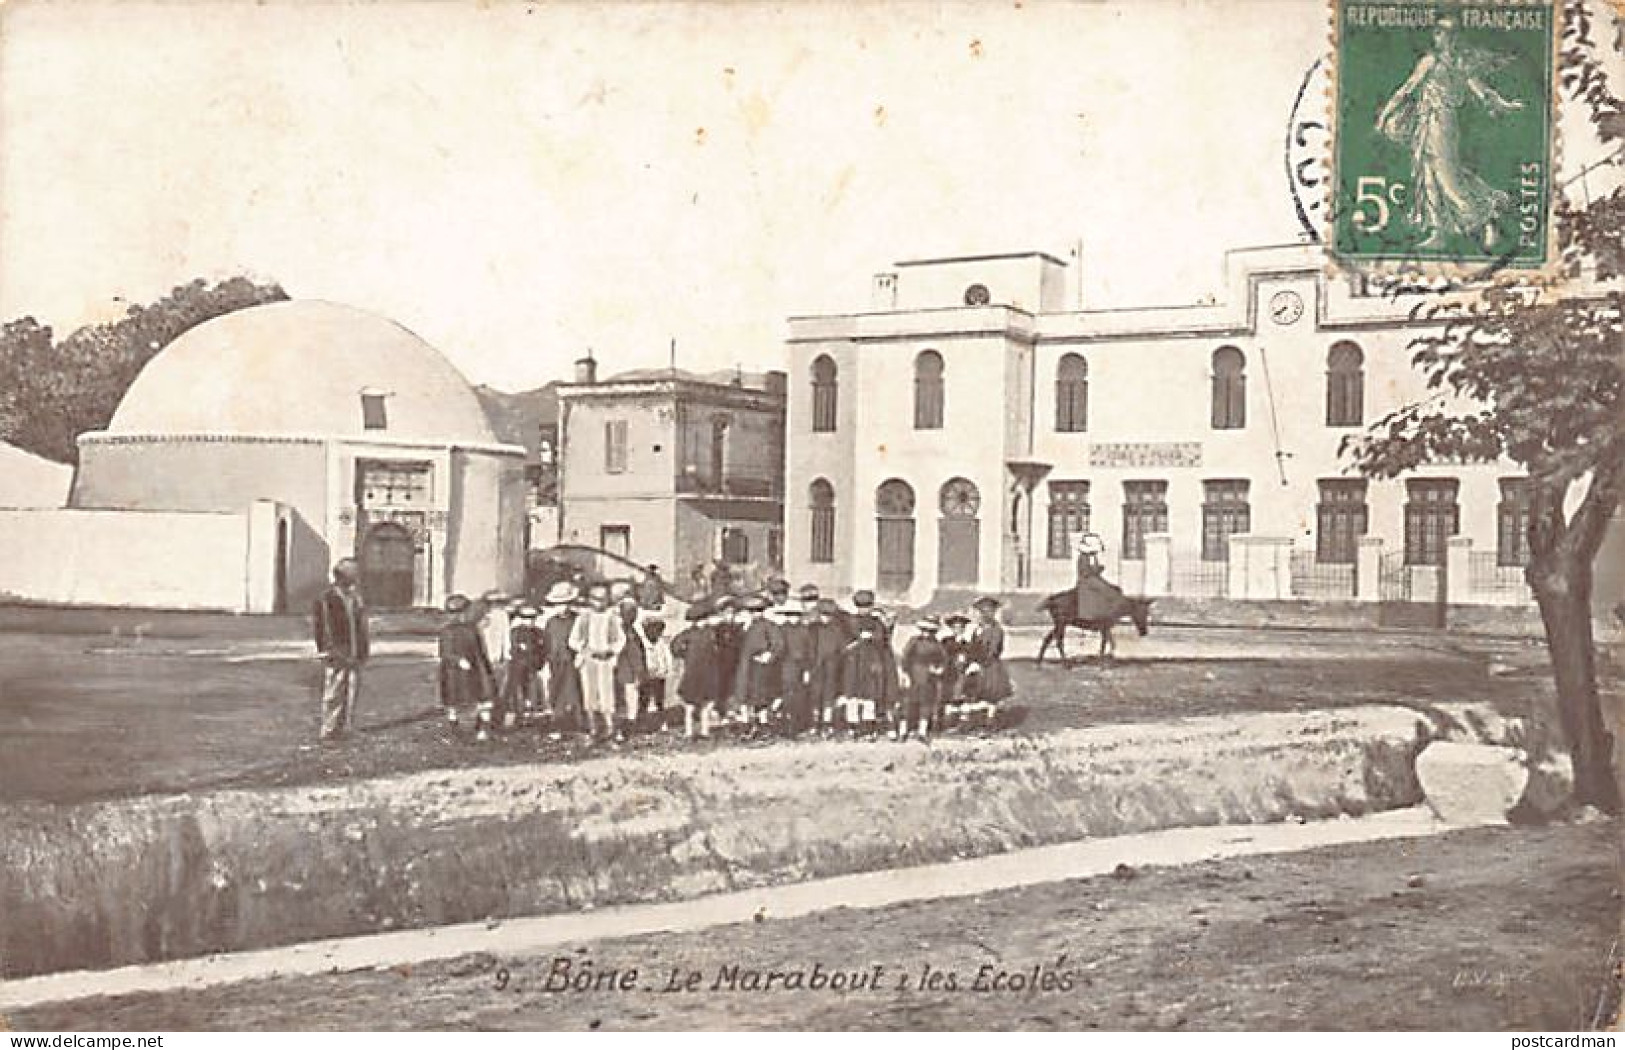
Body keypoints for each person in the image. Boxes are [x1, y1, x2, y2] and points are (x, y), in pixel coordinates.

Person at [1375, 15, 1523, 251]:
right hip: (1427, 122)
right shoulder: (1433, 62)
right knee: (1429, 174)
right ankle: (1438, 231)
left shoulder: (1451, 64)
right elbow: (1407, 90)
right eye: (1439, 32)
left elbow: (1483, 93)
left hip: (1443, 124)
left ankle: (1487, 219)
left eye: (1447, 33)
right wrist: (1386, 114)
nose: (1442, 37)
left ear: (1455, 37)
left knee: (1447, 177)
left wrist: (1505, 105)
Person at [312, 557, 369, 741]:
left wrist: (362, 650)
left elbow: (361, 627)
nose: (356, 578)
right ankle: (329, 729)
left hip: (354, 652)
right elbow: (324, 627)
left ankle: (347, 727)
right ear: (341, 576)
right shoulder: (327, 598)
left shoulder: (355, 599)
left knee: (352, 690)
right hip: (336, 653)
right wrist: (329, 650)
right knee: (334, 692)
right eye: (352, 574)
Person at [570, 583, 626, 743]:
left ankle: (610, 727)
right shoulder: (584, 618)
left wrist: (611, 650)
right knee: (589, 694)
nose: (599, 603)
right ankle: (593, 727)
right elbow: (573, 640)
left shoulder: (612, 617)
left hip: (606, 660)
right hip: (589, 659)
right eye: (596, 599)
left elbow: (621, 639)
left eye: (603, 599)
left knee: (607, 694)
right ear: (589, 600)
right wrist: (585, 648)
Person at [837, 590, 895, 737]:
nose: (864, 609)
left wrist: (877, 634)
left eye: (867, 606)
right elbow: (844, 641)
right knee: (852, 696)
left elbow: (883, 641)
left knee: (870, 696)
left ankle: (868, 728)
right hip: (853, 662)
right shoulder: (850, 621)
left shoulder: (877, 622)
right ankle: (853, 727)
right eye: (861, 606)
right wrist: (856, 640)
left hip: (871, 662)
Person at [438, 593, 494, 738]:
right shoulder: (447, 631)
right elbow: (445, 652)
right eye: (457, 613)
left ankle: (481, 726)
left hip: (474, 667)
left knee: (480, 695)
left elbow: (479, 649)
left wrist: (485, 665)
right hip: (453, 671)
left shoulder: (472, 629)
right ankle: (454, 725)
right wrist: (457, 660)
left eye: (463, 612)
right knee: (453, 698)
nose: (461, 616)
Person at [735, 594, 785, 731]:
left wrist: (768, 655)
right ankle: (746, 725)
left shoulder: (769, 626)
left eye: (758, 610)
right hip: (745, 665)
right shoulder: (743, 627)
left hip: (760, 667)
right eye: (751, 611)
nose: (754, 614)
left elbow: (778, 644)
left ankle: (762, 724)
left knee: (760, 695)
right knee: (744, 694)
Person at [670, 600, 719, 739]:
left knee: (691, 705)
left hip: (694, 673)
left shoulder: (687, 635)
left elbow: (675, 647)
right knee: (704, 704)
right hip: (705, 673)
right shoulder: (710, 634)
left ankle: (691, 731)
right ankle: (702, 730)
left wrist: (683, 654)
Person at [540, 581, 583, 736]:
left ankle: (578, 722)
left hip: (572, 660)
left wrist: (579, 656)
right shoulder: (551, 622)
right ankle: (557, 722)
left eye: (566, 603)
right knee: (556, 689)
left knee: (573, 690)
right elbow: (546, 642)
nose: (562, 607)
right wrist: (546, 660)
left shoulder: (577, 620)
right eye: (558, 604)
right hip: (555, 661)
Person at [898, 615, 949, 742]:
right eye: (924, 630)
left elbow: (944, 660)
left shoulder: (937, 644)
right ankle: (903, 732)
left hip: (929, 678)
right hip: (913, 675)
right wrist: (905, 674)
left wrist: (939, 669)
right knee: (908, 703)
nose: (926, 633)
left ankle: (922, 732)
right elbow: (905, 658)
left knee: (926, 704)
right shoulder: (914, 641)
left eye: (930, 631)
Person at [964, 596, 1014, 727]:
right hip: (978, 664)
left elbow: (993, 650)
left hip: (990, 665)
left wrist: (980, 662)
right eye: (981, 612)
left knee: (992, 694)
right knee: (975, 692)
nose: (983, 615)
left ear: (993, 613)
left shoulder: (996, 630)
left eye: (988, 611)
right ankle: (974, 722)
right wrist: (970, 660)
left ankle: (990, 722)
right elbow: (972, 647)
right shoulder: (977, 629)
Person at [475, 593, 512, 739]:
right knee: (490, 691)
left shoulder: (500, 616)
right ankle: (488, 722)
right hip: (490, 658)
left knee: (491, 691)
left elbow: (506, 637)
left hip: (493, 658)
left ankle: (490, 721)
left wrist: (506, 655)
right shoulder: (483, 617)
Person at [506, 604, 547, 726]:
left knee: (533, 690)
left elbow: (543, 649)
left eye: (532, 618)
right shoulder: (516, 632)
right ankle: (518, 714)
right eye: (526, 618)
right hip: (518, 666)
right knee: (518, 690)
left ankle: (531, 714)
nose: (529, 621)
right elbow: (515, 649)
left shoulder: (539, 632)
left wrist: (540, 662)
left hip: (533, 666)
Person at [613, 597, 647, 740]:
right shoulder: (623, 632)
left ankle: (629, 725)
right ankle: (624, 728)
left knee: (631, 698)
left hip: (629, 670)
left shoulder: (631, 631)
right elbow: (633, 653)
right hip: (625, 671)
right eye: (630, 612)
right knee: (627, 699)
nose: (633, 616)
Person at [639, 616, 674, 730]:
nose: (654, 632)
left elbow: (667, 658)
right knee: (644, 699)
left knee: (660, 699)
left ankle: (662, 722)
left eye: (657, 630)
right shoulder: (642, 643)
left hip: (659, 675)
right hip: (647, 675)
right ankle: (643, 722)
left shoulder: (662, 643)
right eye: (650, 629)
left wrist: (666, 670)